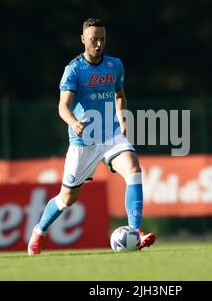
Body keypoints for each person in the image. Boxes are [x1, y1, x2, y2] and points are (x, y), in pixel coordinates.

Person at [27, 18, 156, 255]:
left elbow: (120, 95)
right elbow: (62, 106)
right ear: (83, 39)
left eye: (102, 39)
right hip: (83, 140)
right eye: (94, 39)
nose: (98, 44)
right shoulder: (74, 69)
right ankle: (40, 230)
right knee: (67, 198)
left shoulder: (114, 65)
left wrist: (124, 125)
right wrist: (74, 122)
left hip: (111, 134)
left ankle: (135, 231)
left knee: (134, 169)